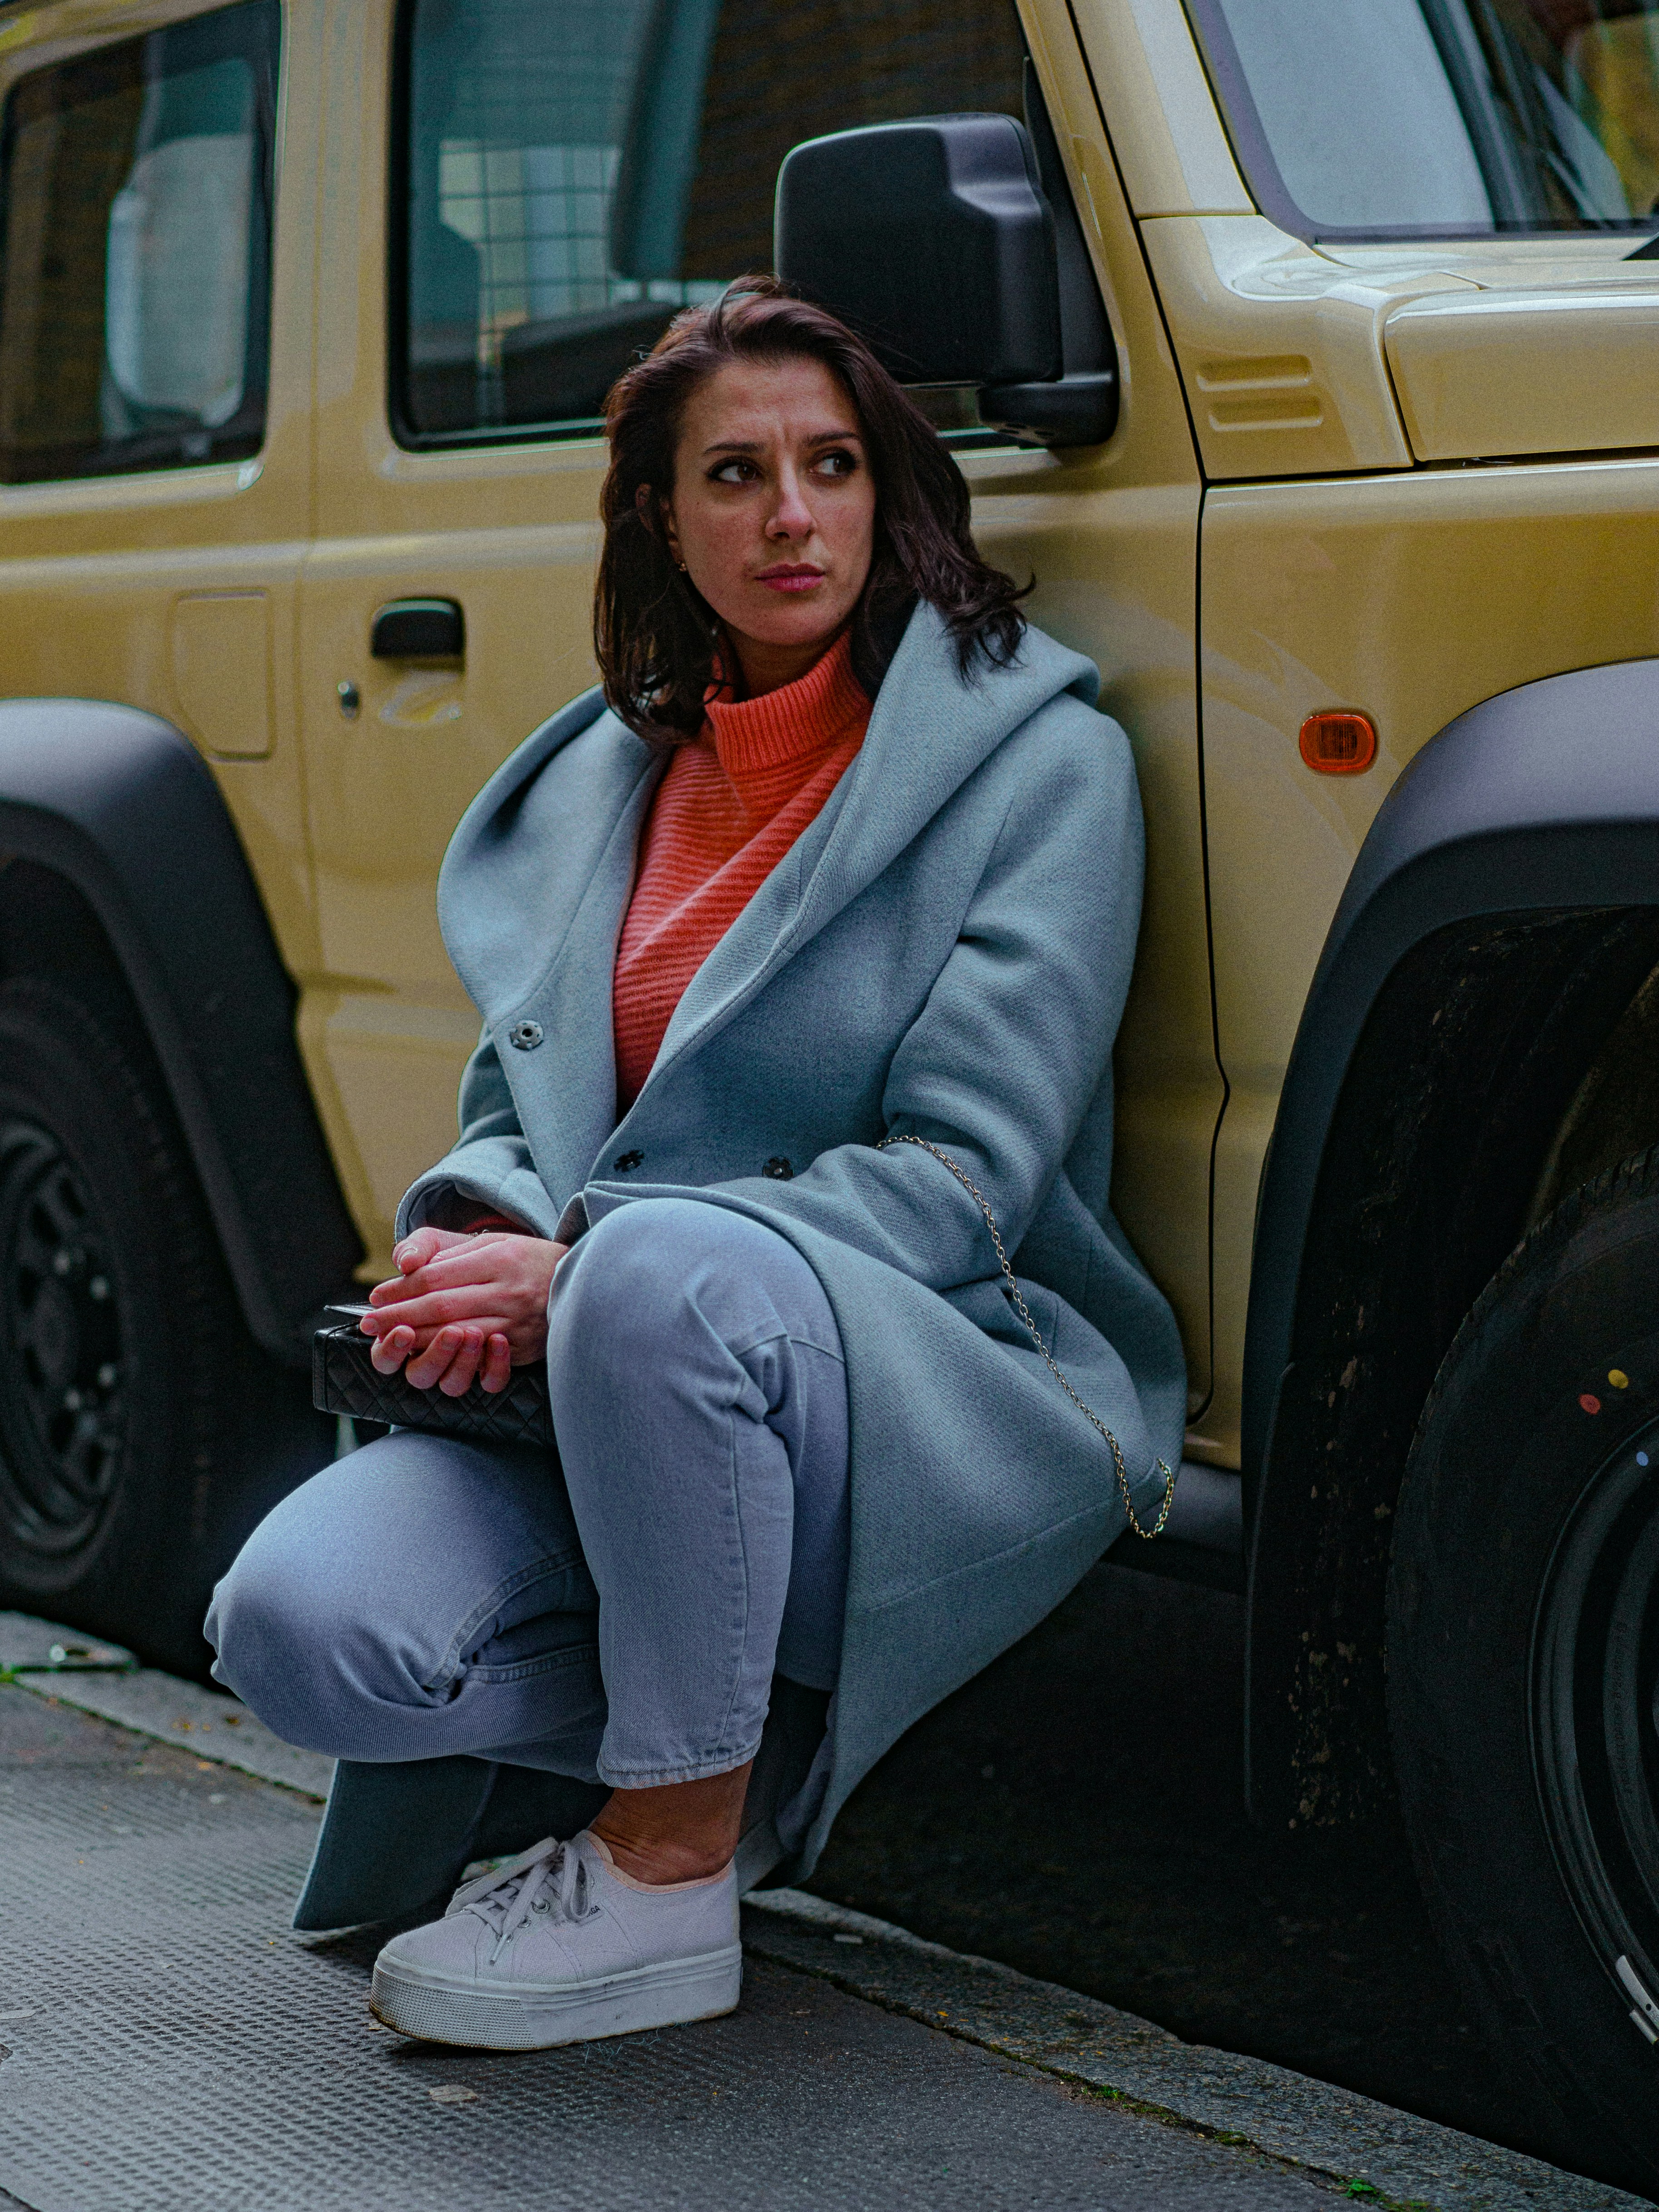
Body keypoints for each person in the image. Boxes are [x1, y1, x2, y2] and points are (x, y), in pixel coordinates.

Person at [206, 276, 1185, 2053]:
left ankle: (663, 1863)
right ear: (658, 513)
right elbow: (532, 1123)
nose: (790, 515)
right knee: (294, 1627)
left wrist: (583, 1269)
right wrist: (485, 1241)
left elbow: (962, 1181)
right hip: (619, 1386)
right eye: (733, 474)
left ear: (888, 492)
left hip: (914, 1366)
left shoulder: (1040, 769)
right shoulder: (600, 781)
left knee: (656, 1273)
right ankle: (720, 1713)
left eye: (829, 464)